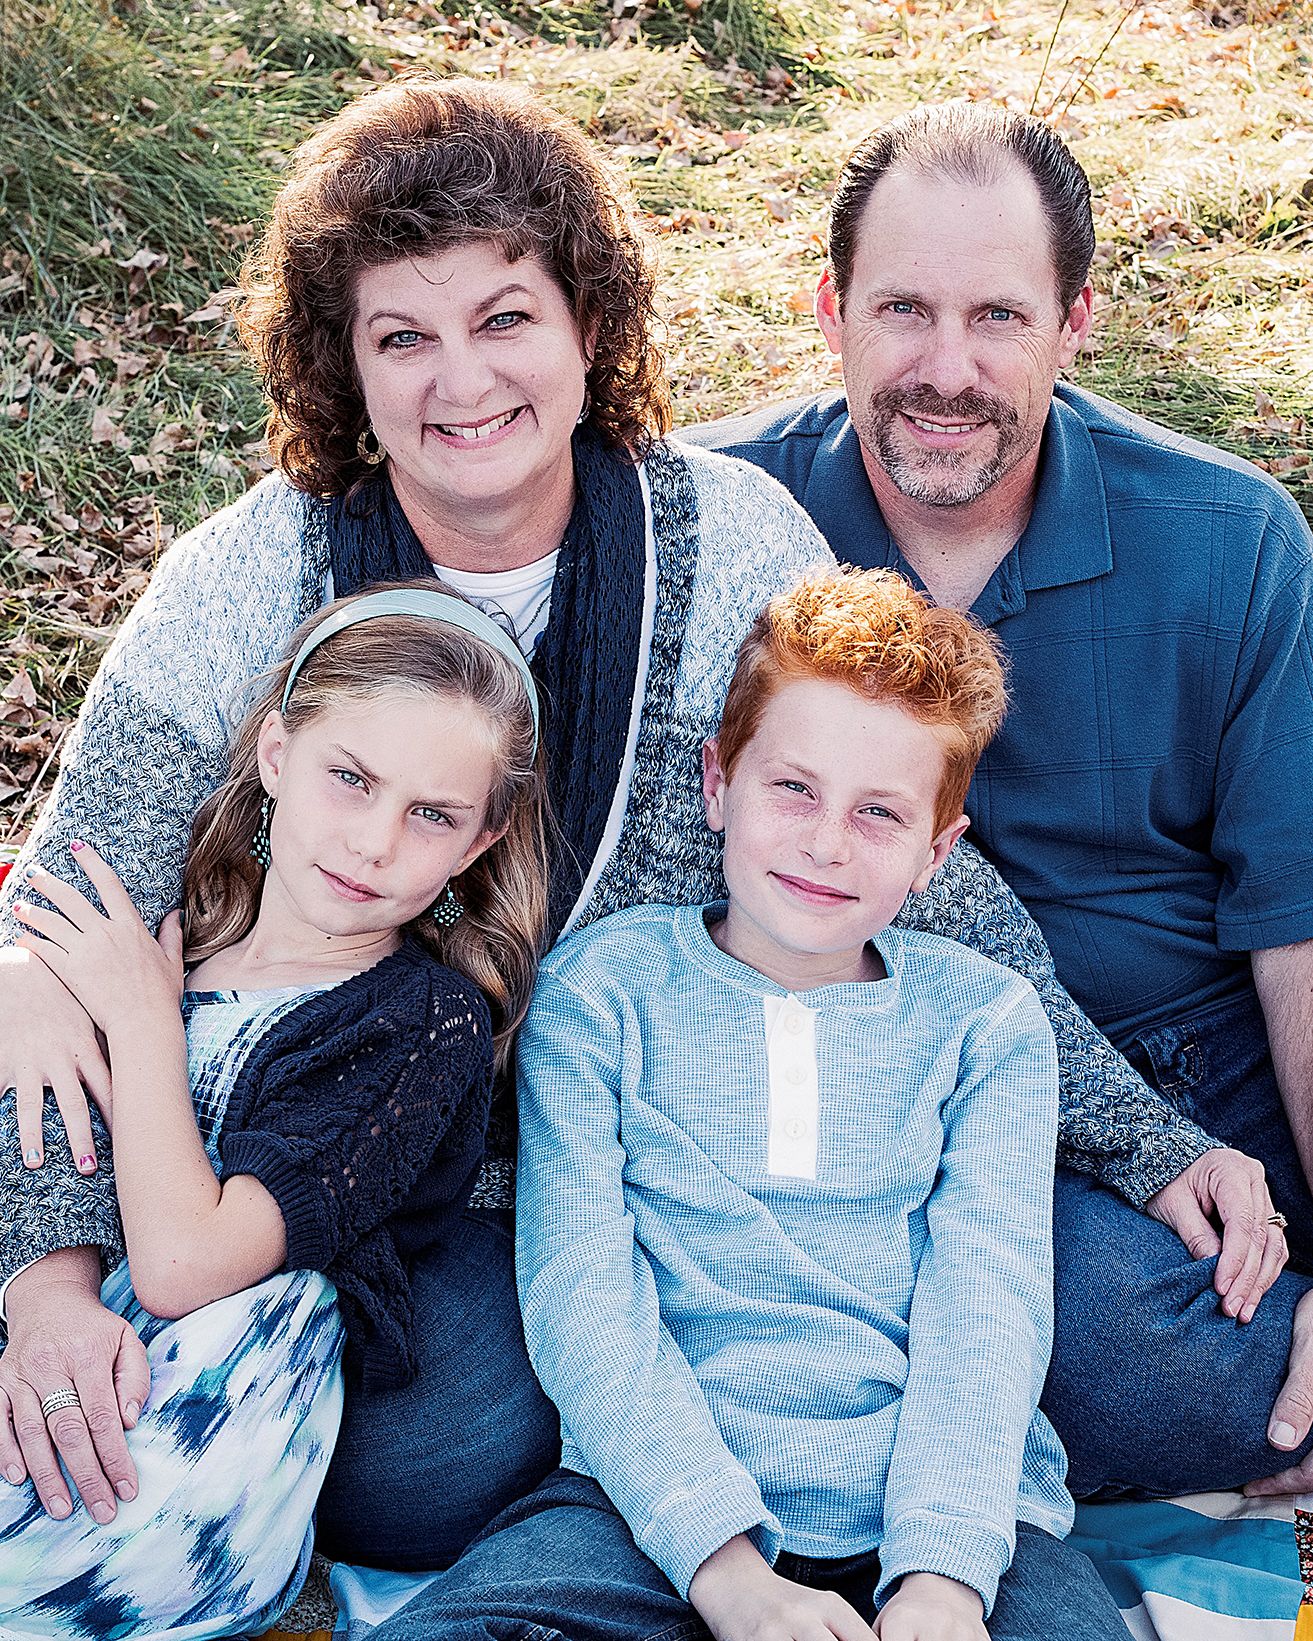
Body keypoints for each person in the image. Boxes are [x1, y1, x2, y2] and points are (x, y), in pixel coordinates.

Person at [0, 76, 1252, 1567]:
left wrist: (1143, 1140)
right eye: (403, 337)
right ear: (345, 363)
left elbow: (922, 880)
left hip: (697, 1143)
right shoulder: (249, 572)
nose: (461, 381)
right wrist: (48, 1286)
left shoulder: (730, 542)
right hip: (361, 1168)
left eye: (505, 319)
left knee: (1163, 1369)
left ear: (588, 327)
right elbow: (60, 933)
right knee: (428, 1456)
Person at [681, 99, 1313, 1497]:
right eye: (902, 310)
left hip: (1162, 1071)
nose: (945, 371)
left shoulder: (1231, 542)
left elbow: (1299, 931)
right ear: (829, 309)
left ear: (1075, 321)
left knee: (1142, 1365)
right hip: (841, 1063)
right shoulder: (722, 519)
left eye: (998, 318)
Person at [366, 568, 1132, 1641]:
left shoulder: (984, 1024)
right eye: (793, 789)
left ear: (936, 852)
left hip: (942, 1510)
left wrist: (944, 1580)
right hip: (648, 1505)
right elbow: (581, 1293)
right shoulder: (601, 993)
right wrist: (724, 1570)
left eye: (878, 813)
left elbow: (987, 1310)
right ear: (717, 784)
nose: (826, 843)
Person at [0, 581, 546, 1638]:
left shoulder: (420, 1025)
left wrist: (143, 1024)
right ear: (277, 756)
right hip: (79, 1364)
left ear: (478, 844)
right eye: (351, 778)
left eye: (431, 814)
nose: (374, 841)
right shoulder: (179, 939)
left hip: (191, 1444)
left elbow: (184, 1265)